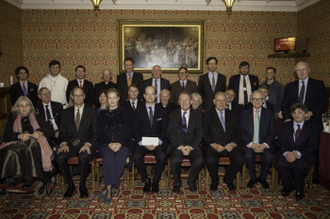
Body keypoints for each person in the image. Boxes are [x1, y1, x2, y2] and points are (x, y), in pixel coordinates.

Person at [281, 61, 329, 184]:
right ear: (295, 72)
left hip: (312, 122)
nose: (301, 72)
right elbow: (285, 104)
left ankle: (314, 176)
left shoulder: (318, 84)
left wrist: (312, 112)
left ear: (308, 70)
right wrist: (287, 118)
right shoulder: (291, 86)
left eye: (303, 70)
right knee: (293, 145)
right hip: (294, 122)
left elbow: (324, 103)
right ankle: (294, 172)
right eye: (298, 70)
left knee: (312, 148)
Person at [0, 96, 54, 189]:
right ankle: (17, 177)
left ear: (31, 106)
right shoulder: (13, 117)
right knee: (9, 151)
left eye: (27, 105)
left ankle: (30, 177)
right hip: (17, 141)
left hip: (34, 141)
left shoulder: (36, 115)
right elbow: (5, 136)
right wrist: (18, 135)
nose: (24, 108)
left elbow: (50, 130)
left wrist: (39, 131)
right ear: (17, 107)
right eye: (21, 106)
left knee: (29, 148)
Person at [56, 87, 98, 198]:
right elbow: (62, 132)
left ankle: (82, 185)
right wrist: (63, 143)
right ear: (72, 97)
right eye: (76, 95)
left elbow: (95, 133)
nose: (78, 98)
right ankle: (70, 184)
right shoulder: (65, 112)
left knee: (83, 157)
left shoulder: (92, 111)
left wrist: (88, 143)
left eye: (80, 95)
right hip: (70, 145)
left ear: (84, 96)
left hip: (86, 144)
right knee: (60, 158)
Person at [202, 92, 245, 191]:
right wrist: (214, 144)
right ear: (214, 101)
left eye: (223, 100)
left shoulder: (233, 114)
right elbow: (203, 134)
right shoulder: (207, 115)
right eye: (218, 100)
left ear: (226, 102)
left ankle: (228, 178)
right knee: (210, 160)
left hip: (230, 144)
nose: (221, 103)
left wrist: (233, 144)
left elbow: (239, 133)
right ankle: (215, 180)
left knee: (240, 159)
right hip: (213, 145)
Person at [275, 103, 318, 201]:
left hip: (304, 154)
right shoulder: (286, 126)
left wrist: (297, 154)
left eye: (300, 113)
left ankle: (299, 189)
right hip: (287, 152)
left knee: (297, 166)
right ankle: (288, 185)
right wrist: (287, 153)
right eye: (294, 113)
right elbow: (281, 143)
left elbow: (313, 146)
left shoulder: (312, 127)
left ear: (306, 114)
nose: (297, 115)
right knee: (280, 164)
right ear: (291, 114)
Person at [96, 88, 133, 205]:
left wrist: (120, 143)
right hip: (106, 144)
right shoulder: (101, 114)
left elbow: (128, 131)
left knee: (121, 157)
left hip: (124, 143)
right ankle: (109, 192)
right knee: (108, 156)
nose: (112, 100)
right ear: (107, 99)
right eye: (109, 98)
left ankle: (107, 188)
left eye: (114, 97)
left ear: (118, 98)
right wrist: (109, 143)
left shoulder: (126, 113)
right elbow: (100, 133)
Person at [132, 86, 168, 194]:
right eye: (147, 94)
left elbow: (164, 129)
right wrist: (143, 143)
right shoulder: (138, 111)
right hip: (142, 142)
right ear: (143, 96)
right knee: (136, 156)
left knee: (162, 156)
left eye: (152, 94)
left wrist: (157, 142)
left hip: (157, 141)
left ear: (156, 96)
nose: (150, 96)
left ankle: (155, 181)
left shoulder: (162, 111)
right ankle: (146, 180)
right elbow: (135, 130)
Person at [167, 91, 204, 193]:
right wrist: (180, 146)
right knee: (174, 161)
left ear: (191, 101)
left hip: (193, 145)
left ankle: (191, 181)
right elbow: (170, 133)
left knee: (199, 160)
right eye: (182, 100)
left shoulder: (198, 115)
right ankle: (177, 183)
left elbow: (199, 133)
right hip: (177, 145)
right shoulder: (172, 115)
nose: (184, 102)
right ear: (178, 102)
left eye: (186, 100)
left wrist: (191, 146)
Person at [241, 90, 277, 189]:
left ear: (263, 100)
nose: (257, 101)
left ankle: (262, 178)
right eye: (254, 99)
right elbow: (241, 131)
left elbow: (273, 131)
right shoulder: (244, 114)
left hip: (264, 144)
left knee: (269, 157)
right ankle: (253, 178)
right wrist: (252, 144)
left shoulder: (269, 113)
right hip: (249, 144)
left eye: (259, 99)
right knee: (248, 156)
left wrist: (264, 144)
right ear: (251, 100)